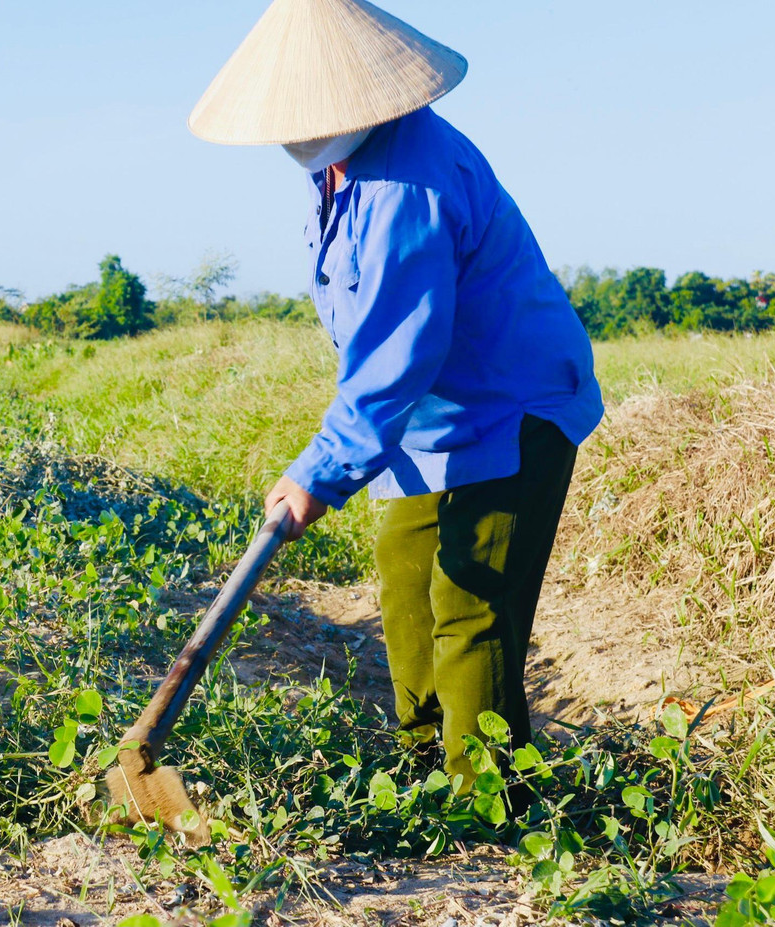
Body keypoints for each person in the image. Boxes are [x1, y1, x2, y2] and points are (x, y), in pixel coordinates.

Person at [188, 0, 604, 786]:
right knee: (406, 582)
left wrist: (320, 471)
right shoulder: (341, 172)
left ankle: (487, 803)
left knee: (471, 600)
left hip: (512, 409)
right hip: (425, 424)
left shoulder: (404, 187)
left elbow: (393, 356)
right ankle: (421, 770)